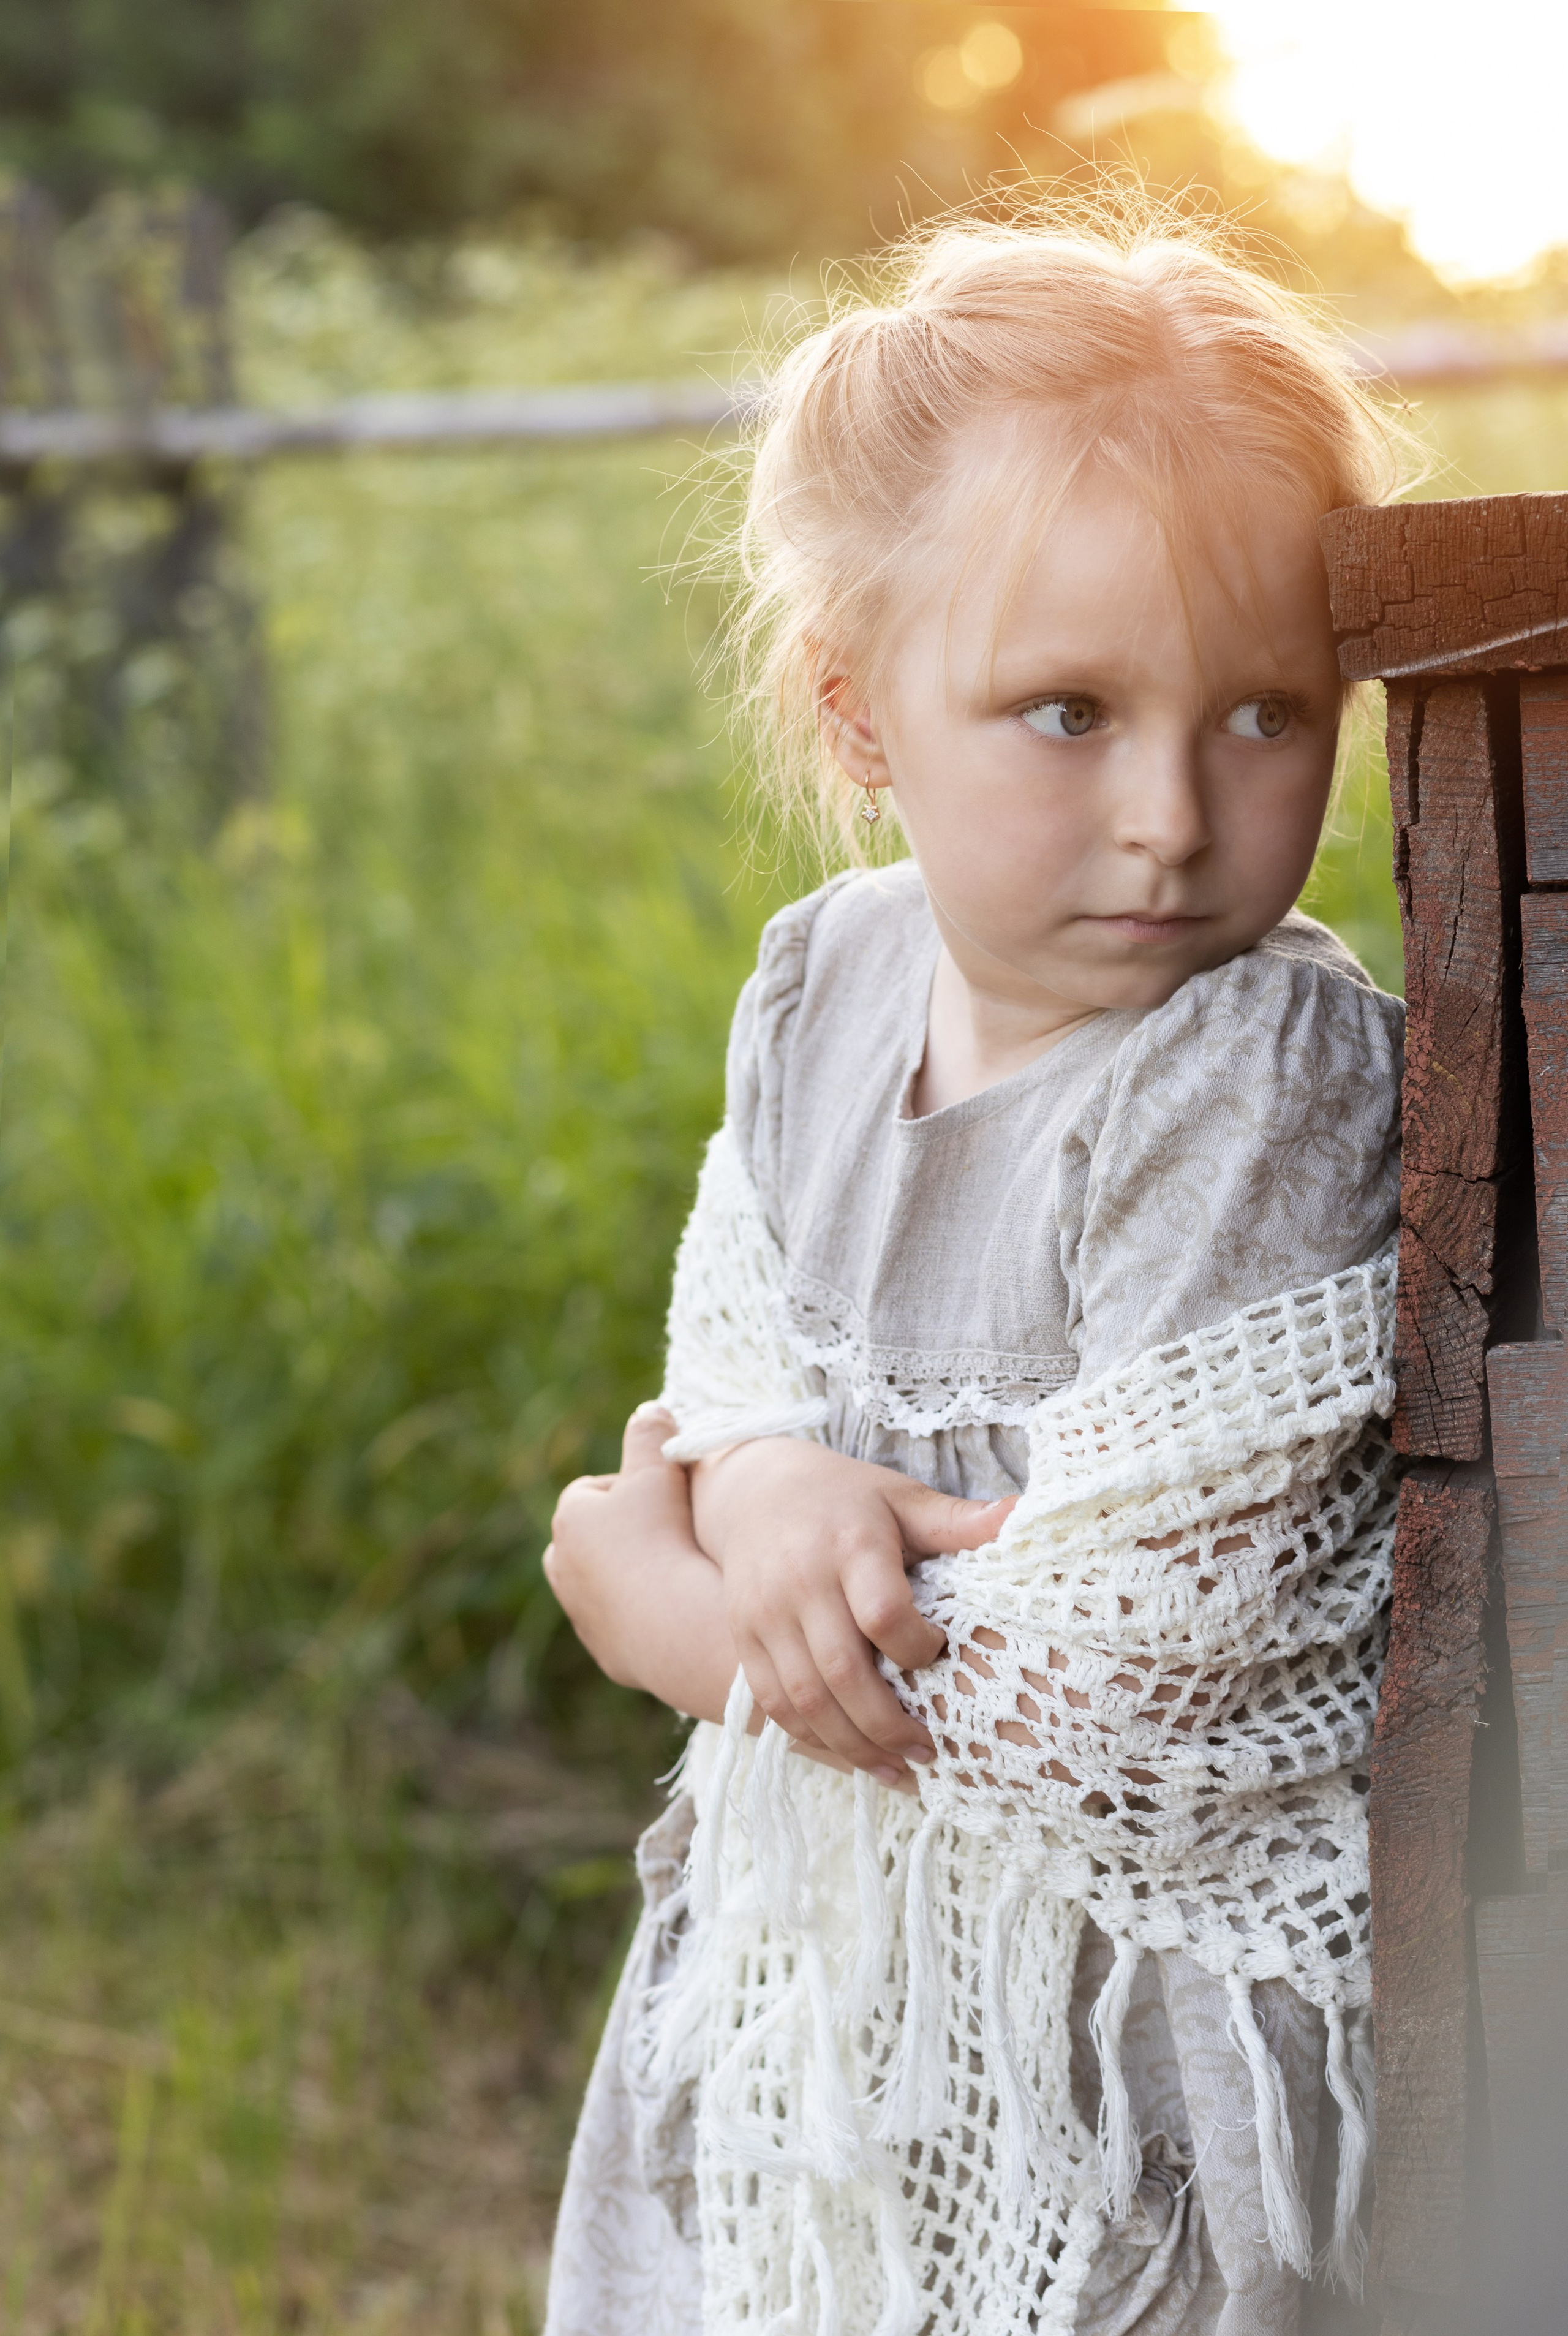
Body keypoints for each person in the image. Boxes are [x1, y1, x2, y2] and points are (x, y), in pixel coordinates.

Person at [541, 199, 1407, 2336]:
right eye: (1065, 712)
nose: (1172, 819)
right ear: (858, 715)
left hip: (1103, 2067)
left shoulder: (1250, 1074)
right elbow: (725, 1371)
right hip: (822, 1989)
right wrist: (761, 1487)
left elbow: (1124, 1688)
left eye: (1264, 716)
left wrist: (681, 1618)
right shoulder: (823, 987)